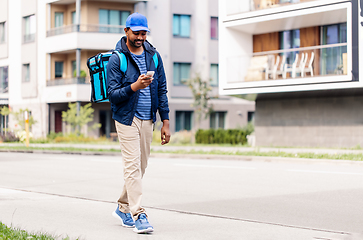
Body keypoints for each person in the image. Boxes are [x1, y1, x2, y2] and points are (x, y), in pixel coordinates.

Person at [107, 12, 170, 234]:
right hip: (126, 118)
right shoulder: (117, 58)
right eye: (136, 33)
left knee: (140, 167)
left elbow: (162, 89)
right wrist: (135, 86)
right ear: (126, 32)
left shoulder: (154, 56)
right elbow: (112, 94)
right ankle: (138, 214)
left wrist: (166, 121)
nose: (140, 37)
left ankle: (123, 207)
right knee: (132, 166)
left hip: (148, 119)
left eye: (144, 33)